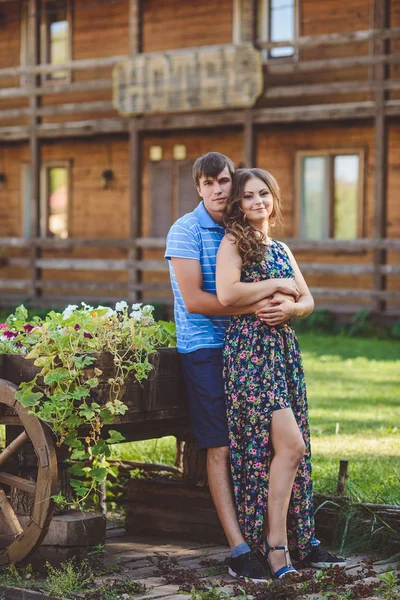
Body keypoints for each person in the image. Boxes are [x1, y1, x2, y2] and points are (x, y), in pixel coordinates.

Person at [165, 153, 300, 583]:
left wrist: (289, 303)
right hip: (206, 346)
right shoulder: (186, 231)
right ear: (199, 188)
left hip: (251, 348)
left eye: (225, 181)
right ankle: (239, 549)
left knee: (268, 443)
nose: (219, 190)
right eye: (209, 183)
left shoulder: (239, 228)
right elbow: (201, 301)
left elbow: (296, 288)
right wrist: (270, 297)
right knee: (220, 445)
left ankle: (279, 540)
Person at [216, 168, 346, 578]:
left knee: (289, 448)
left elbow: (307, 300)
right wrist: (278, 283)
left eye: (264, 194)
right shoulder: (234, 241)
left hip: (282, 352)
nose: (258, 202)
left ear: (274, 197)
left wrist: (292, 307)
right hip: (250, 354)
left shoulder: (282, 247)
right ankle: (276, 549)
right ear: (238, 203)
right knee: (290, 446)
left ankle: (293, 543)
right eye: (249, 196)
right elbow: (227, 293)